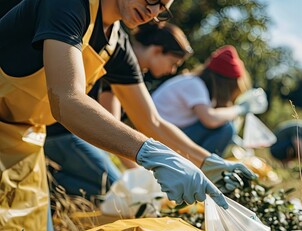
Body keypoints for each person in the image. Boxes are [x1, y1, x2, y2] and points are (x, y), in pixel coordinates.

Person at [0, 1, 256, 231]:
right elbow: (66, 99)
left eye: (162, 8)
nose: (153, 11)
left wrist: (206, 162)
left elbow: (152, 121)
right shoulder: (68, 6)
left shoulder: (116, 43)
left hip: (24, 141)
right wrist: (150, 154)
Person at [44, 22, 193, 197]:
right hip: (62, 134)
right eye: (173, 63)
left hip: (71, 135)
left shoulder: (129, 68)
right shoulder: (119, 67)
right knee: (117, 190)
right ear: (157, 51)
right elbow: (112, 133)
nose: (172, 70)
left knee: (116, 189)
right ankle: (51, 184)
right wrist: (145, 174)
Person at [151, 45, 268, 156]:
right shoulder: (195, 84)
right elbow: (210, 119)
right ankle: (204, 168)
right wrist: (240, 109)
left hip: (162, 135)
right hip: (159, 139)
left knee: (224, 124)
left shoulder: (195, 83)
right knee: (227, 127)